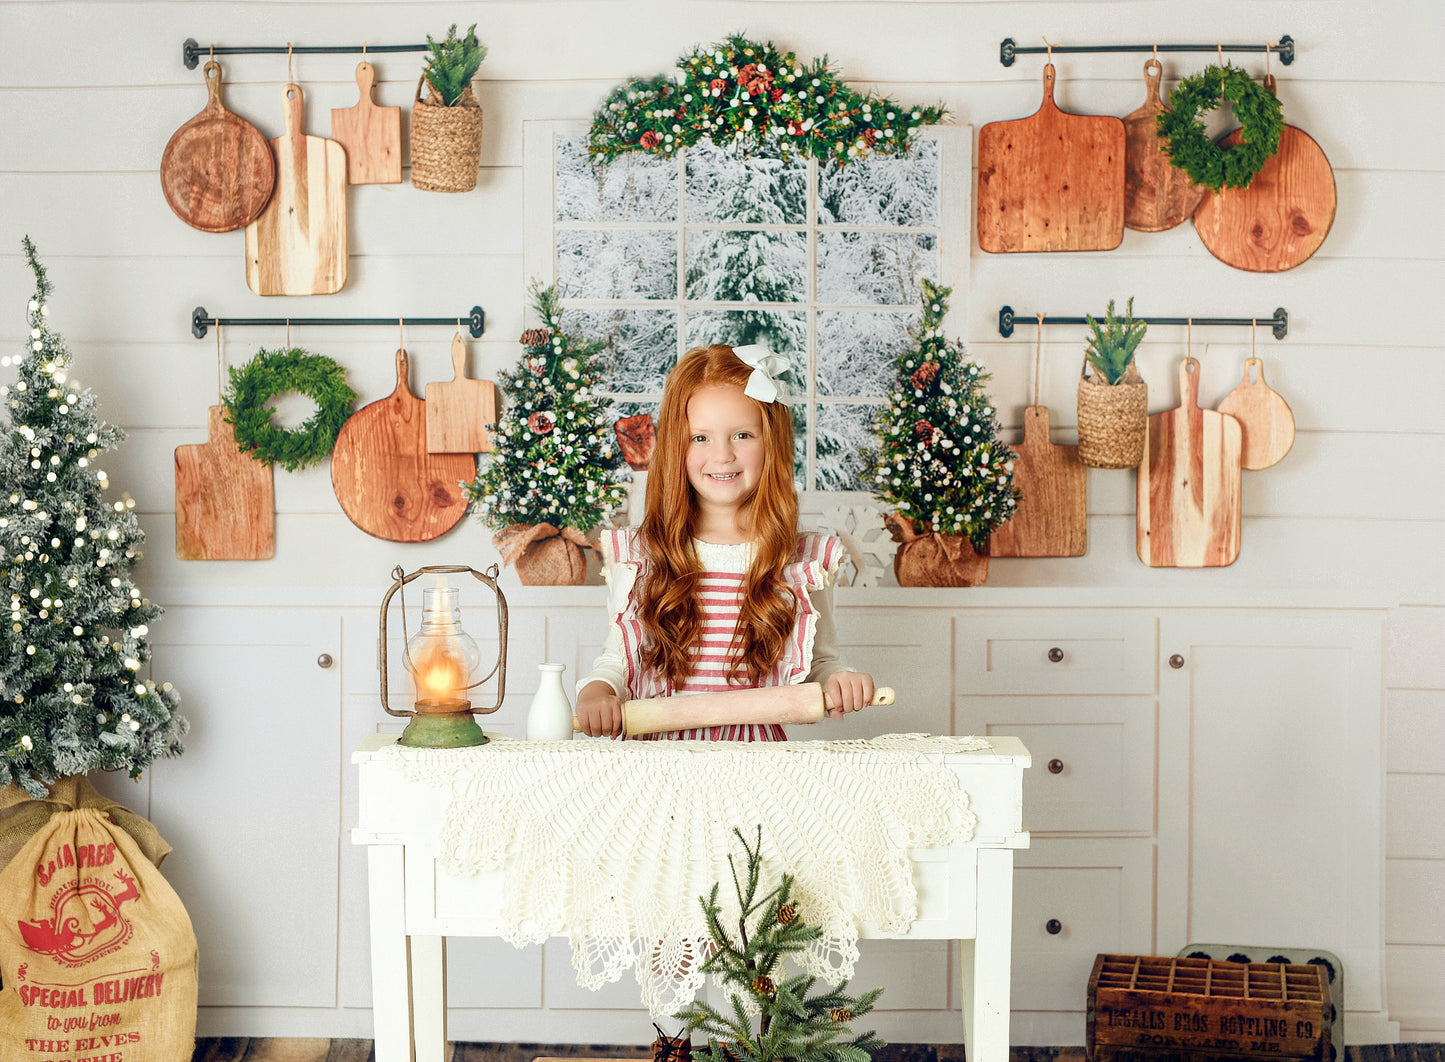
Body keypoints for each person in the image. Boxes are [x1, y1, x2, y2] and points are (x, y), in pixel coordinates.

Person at [574, 342, 875, 740]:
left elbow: (821, 663)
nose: (722, 456)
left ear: (771, 443)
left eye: (742, 435)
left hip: (755, 769)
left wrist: (840, 680)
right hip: (658, 765)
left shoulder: (801, 561)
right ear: (675, 448)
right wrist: (597, 695)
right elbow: (617, 662)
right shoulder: (641, 556)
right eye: (700, 438)